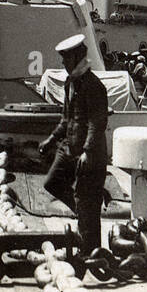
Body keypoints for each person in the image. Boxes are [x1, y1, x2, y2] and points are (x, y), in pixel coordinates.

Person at [39, 33, 109, 258]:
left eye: (65, 59)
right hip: (69, 148)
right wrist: (51, 139)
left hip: (89, 153)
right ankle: (85, 211)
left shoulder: (93, 86)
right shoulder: (71, 83)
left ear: (77, 58)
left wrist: (88, 152)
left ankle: (91, 252)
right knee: (52, 182)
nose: (62, 63)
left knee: (86, 200)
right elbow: (66, 119)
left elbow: (96, 122)